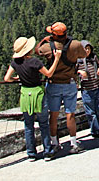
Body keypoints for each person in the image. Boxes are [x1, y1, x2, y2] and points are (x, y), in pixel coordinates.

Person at [4, 36, 61, 161]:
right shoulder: (35, 62)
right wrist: (56, 59)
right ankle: (47, 151)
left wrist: (16, 79)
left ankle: (31, 153)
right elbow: (48, 73)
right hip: (37, 93)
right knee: (43, 124)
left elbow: (6, 78)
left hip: (25, 94)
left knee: (28, 125)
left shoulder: (15, 63)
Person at [35, 22, 87, 154]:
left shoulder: (48, 47)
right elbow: (84, 55)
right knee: (70, 114)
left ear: (53, 35)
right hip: (69, 83)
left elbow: (37, 50)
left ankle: (54, 143)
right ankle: (74, 143)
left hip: (53, 83)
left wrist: (45, 40)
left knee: (53, 115)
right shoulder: (75, 45)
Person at [76, 40, 99, 139]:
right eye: (85, 49)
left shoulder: (93, 58)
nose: (87, 51)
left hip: (95, 87)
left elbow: (98, 65)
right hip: (87, 89)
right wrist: (79, 72)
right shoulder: (78, 60)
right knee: (91, 112)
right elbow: (73, 71)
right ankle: (95, 131)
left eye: (88, 48)